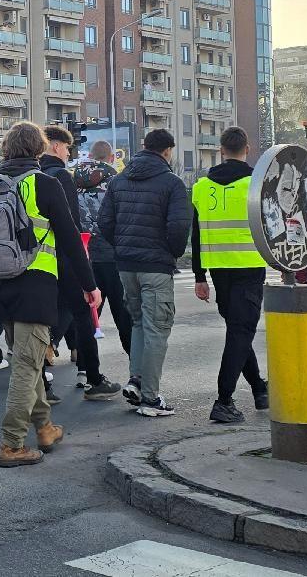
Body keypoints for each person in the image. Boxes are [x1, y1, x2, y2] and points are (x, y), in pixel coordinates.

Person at [0, 123, 101, 467]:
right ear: (39, 150)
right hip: (35, 286)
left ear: (6, 149)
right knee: (26, 365)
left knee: (28, 361)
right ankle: (11, 444)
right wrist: (88, 285)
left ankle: (45, 428)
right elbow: (70, 239)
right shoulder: (44, 184)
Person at [99, 128, 192, 417]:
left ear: (144, 147)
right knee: (157, 329)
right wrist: (171, 253)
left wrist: (123, 246)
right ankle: (150, 398)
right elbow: (179, 226)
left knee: (139, 323)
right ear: (167, 151)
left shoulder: (119, 180)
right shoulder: (172, 183)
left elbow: (104, 222)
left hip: (126, 266)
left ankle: (136, 380)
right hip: (155, 266)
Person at [191, 126, 272, 424]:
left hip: (218, 271)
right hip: (249, 268)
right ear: (247, 149)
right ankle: (224, 400)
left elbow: (196, 234)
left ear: (221, 150)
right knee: (241, 332)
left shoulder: (201, 187)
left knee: (238, 331)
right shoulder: (257, 185)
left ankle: (259, 388)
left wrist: (200, 276)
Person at [41, 126, 121, 401]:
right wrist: (85, 273)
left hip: (37, 262)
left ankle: (42, 383)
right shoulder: (60, 176)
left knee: (41, 320)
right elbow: (71, 225)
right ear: (54, 146)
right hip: (65, 259)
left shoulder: (30, 176)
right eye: (66, 147)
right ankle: (93, 379)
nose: (67, 153)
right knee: (84, 314)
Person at [74, 140, 132, 354]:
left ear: (89, 156)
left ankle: (84, 367)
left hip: (83, 256)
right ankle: (136, 371)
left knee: (88, 313)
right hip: (112, 255)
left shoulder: (73, 181)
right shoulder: (118, 182)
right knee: (123, 315)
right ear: (111, 158)